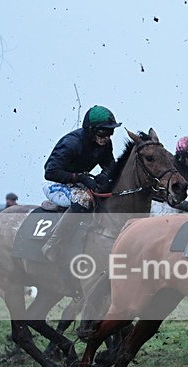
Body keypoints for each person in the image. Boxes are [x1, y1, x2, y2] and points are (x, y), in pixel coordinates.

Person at [41, 105, 121, 261]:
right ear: (91, 130)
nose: (107, 137)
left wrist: (104, 176)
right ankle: (53, 244)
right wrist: (80, 178)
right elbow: (49, 172)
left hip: (79, 183)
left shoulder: (105, 145)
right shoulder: (72, 143)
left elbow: (110, 166)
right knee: (83, 199)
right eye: (103, 131)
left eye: (111, 132)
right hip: (56, 184)